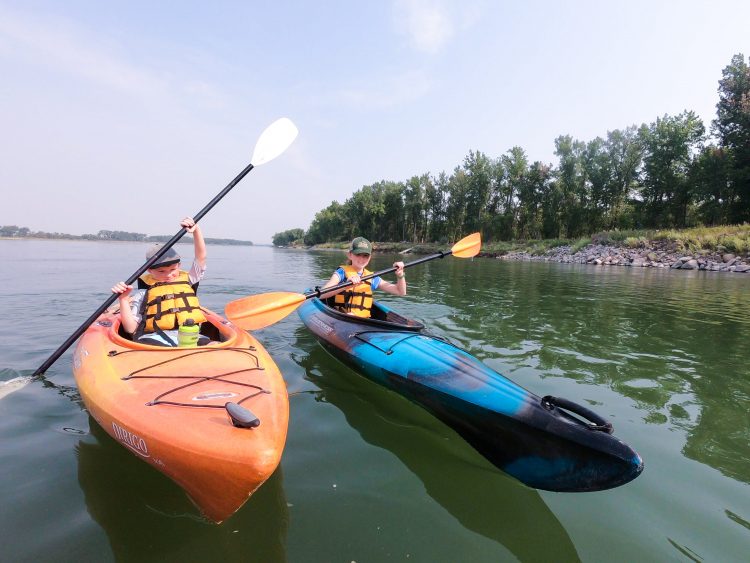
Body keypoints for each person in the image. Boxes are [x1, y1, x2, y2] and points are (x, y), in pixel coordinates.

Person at [111, 217, 209, 346]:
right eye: (161, 271)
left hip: (191, 336)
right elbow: (130, 328)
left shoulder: (190, 280)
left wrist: (196, 231)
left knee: (213, 345)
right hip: (156, 339)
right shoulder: (144, 293)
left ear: (179, 266)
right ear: (150, 271)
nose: (168, 275)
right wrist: (123, 299)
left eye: (172, 269)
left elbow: (201, 257)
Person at [320, 236, 406, 318]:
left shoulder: (372, 277)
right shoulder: (341, 273)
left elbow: (400, 292)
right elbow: (322, 294)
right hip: (341, 317)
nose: (361, 259)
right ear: (350, 255)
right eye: (358, 254)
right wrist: (346, 286)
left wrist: (400, 275)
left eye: (365, 255)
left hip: (363, 321)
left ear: (370, 257)